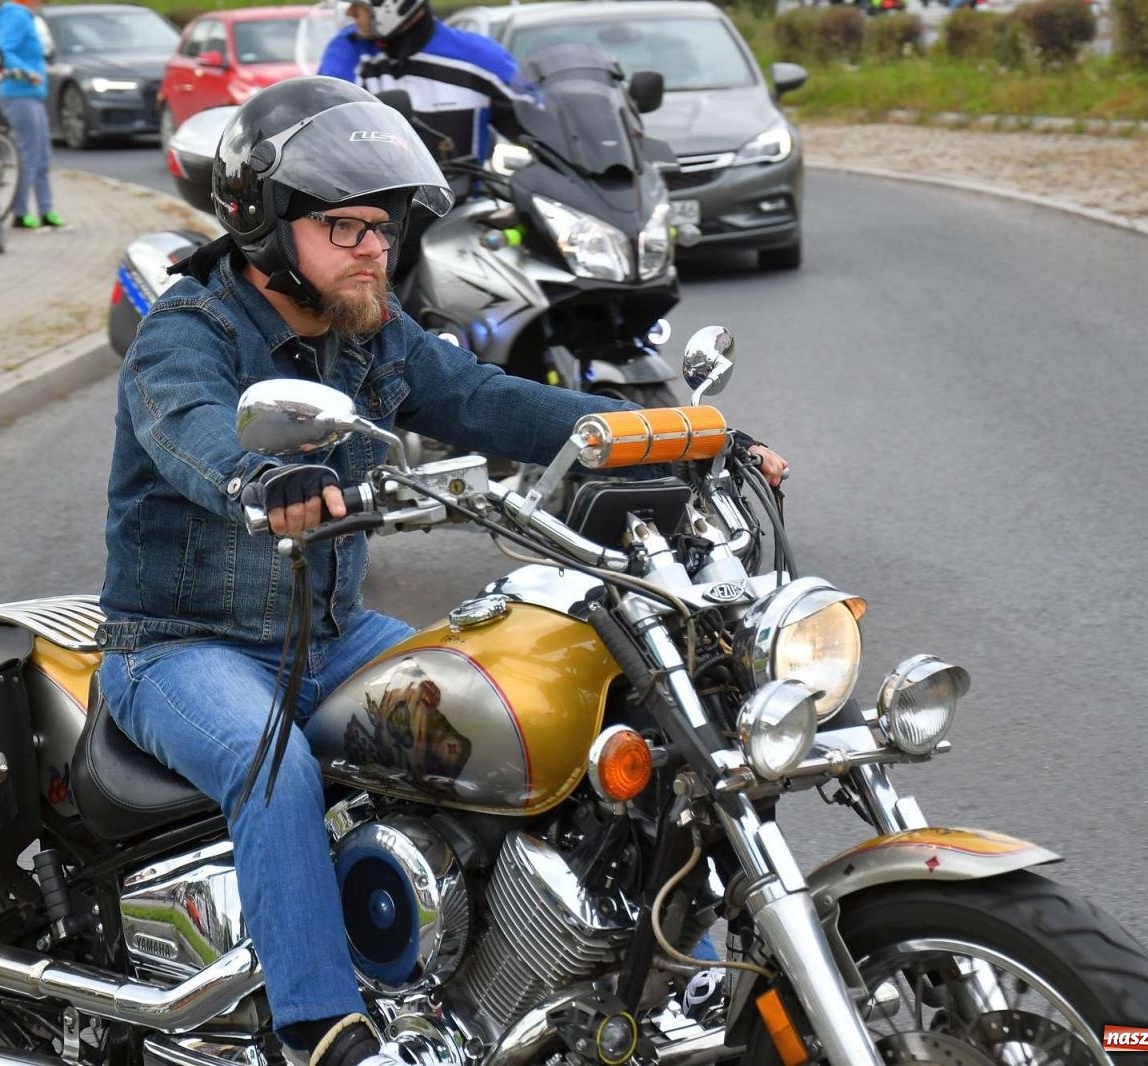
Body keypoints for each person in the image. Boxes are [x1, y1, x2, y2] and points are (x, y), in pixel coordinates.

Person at [95, 76, 788, 1066]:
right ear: (266, 221)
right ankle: (324, 1029)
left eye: (382, 227)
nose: (374, 247)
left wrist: (686, 439)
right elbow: (189, 428)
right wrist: (262, 473)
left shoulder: (364, 332)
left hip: (329, 639)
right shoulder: (188, 333)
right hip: (180, 648)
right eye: (345, 226)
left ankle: (618, 974)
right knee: (272, 767)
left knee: (512, 714)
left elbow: (484, 396)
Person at [316, 0, 519, 167]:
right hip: (377, 206)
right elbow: (327, 117)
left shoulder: (479, 58)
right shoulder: (347, 49)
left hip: (462, 207)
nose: (351, 13)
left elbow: (536, 123)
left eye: (358, 6)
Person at [0, 0, 60, 230]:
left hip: (32, 95)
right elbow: (3, 47)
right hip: (18, 94)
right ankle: (20, 213)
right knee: (29, 155)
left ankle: (46, 210)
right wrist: (26, 72)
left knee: (43, 154)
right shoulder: (16, 15)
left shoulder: (25, 16)